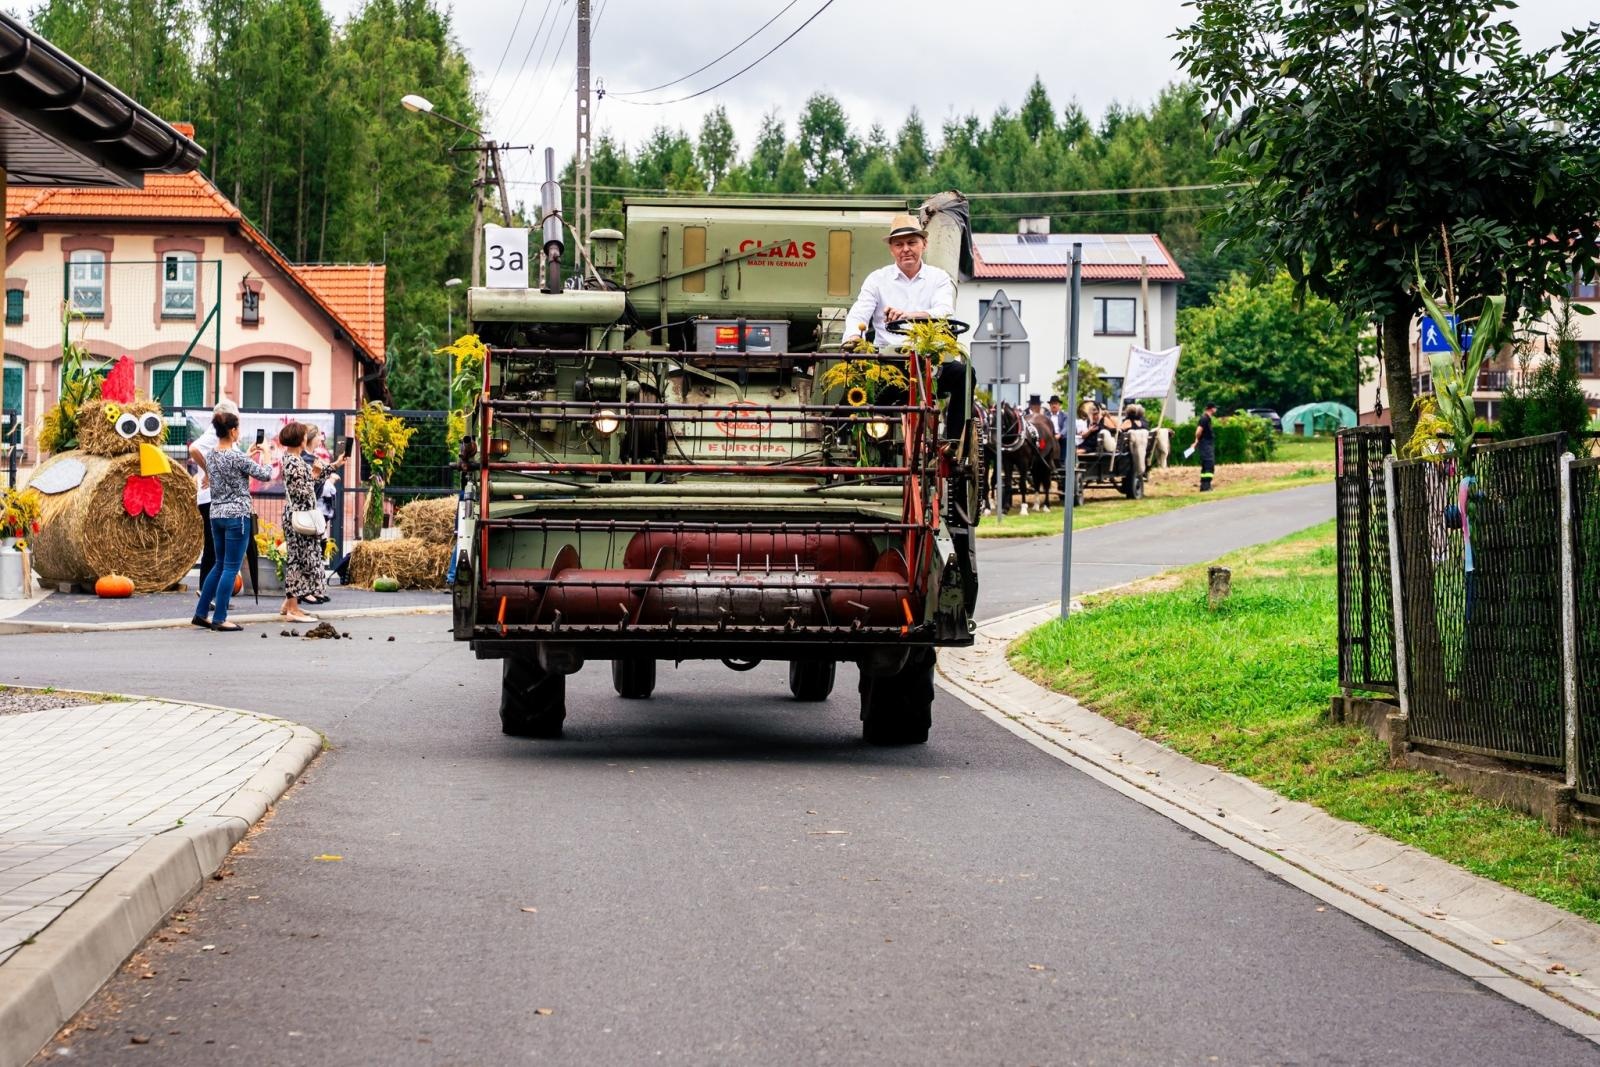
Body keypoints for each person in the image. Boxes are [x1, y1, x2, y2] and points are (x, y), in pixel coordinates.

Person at [192, 410, 273, 632]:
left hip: (216, 515)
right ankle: (220, 617)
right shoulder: (235, 457)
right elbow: (266, 474)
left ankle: (201, 613)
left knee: (218, 565)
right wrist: (266, 453)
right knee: (230, 568)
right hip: (237, 516)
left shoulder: (213, 455)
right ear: (232, 430)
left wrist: (246, 454)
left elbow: (233, 468)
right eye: (238, 428)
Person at [840, 214, 955, 351]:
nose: (906, 249)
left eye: (911, 243)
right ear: (891, 250)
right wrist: (854, 337)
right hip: (886, 357)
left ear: (924, 244)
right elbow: (859, 314)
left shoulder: (939, 277)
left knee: (962, 371)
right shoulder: (876, 279)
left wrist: (909, 316)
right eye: (899, 244)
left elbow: (945, 312)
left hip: (929, 354)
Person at [277, 422, 327, 621]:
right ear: (300, 439)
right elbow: (303, 492)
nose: (307, 438)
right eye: (305, 436)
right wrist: (314, 475)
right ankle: (293, 610)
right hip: (299, 514)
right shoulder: (294, 462)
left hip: (295, 514)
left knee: (297, 559)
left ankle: (290, 604)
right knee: (297, 560)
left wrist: (326, 469)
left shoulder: (292, 459)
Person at [187, 399, 240, 583]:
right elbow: (193, 449)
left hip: (215, 498)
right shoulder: (214, 433)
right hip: (211, 497)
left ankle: (211, 590)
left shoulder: (222, 435)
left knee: (217, 546)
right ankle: (206, 589)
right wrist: (210, 472)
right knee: (213, 546)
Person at [1193, 402, 1217, 491]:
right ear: (1211, 409)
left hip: (1205, 444)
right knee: (1209, 464)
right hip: (1206, 445)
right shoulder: (1204, 419)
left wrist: (1196, 442)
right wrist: (1197, 440)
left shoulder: (1207, 419)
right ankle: (1206, 486)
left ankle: (1204, 486)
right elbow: (1198, 432)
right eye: (1215, 408)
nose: (1216, 409)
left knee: (1205, 465)